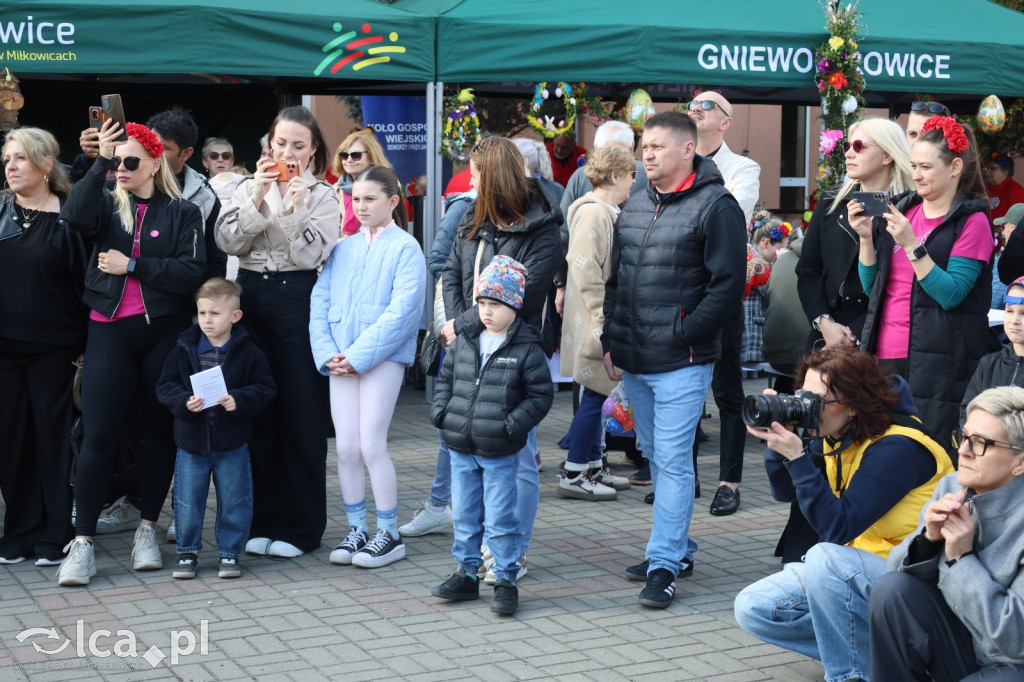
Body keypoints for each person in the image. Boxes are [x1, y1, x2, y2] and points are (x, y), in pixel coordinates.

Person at [733, 348, 954, 682]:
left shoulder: (898, 447)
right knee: (755, 607)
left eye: (818, 399)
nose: (807, 406)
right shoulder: (838, 434)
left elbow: (838, 527)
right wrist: (778, 447)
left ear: (853, 404)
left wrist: (798, 458)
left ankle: (853, 674)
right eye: (803, 395)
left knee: (825, 556)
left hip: (914, 578)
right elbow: (785, 492)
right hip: (860, 566)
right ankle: (885, 660)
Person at [603, 111, 745, 606]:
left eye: (658, 146)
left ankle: (663, 564)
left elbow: (727, 288)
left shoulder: (717, 206)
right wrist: (611, 341)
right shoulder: (637, 203)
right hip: (636, 360)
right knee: (658, 458)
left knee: (674, 461)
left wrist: (685, 331)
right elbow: (618, 281)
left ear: (688, 150)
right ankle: (677, 547)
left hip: (683, 361)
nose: (647, 154)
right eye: (645, 146)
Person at [56, 119, 206, 586]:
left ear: (155, 161)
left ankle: (147, 528)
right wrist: (98, 161)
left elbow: (190, 274)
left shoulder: (183, 213)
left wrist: (134, 266)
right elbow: (73, 217)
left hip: (162, 332)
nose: (121, 167)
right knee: (98, 435)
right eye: (116, 160)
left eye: (129, 160)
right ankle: (82, 544)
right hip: (108, 330)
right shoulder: (103, 200)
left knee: (158, 433)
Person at [215, 105, 340, 559]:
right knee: (255, 409)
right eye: (280, 142)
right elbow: (227, 242)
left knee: (301, 412)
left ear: (312, 153)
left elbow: (309, 257)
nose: (287, 152)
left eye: (299, 146)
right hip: (249, 296)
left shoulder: (325, 196)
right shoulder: (245, 187)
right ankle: (258, 520)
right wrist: (258, 197)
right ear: (268, 143)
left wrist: (293, 205)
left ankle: (301, 526)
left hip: (298, 299)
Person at [440, 136, 562, 583]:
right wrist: (460, 324)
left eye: (475, 174)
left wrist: (462, 326)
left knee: (519, 457)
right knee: (469, 455)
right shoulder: (472, 217)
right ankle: (473, 555)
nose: (469, 182)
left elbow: (525, 296)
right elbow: (452, 273)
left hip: (517, 349)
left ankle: (512, 552)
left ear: (494, 178)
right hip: (471, 349)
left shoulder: (544, 226)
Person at [310, 167, 426, 569]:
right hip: (340, 360)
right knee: (345, 447)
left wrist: (357, 357)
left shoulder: (407, 248)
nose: (360, 206)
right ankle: (357, 528)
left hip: (382, 359)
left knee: (372, 444)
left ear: (393, 202)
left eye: (370, 198)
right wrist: (328, 354)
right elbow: (319, 302)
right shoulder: (343, 248)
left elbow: (403, 314)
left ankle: (389, 533)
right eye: (355, 199)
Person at [869, 386, 1024, 681]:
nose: (963, 451)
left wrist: (961, 560)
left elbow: (1015, 641)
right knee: (892, 590)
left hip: (1013, 663)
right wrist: (929, 540)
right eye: (964, 436)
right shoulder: (953, 486)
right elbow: (895, 570)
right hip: (966, 644)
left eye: (980, 443)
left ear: (1020, 462)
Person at [857, 116, 994, 448]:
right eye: (913, 165)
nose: (915, 175)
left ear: (955, 167)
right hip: (883, 355)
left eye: (926, 167)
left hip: (938, 364)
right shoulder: (906, 208)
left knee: (925, 456)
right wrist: (865, 239)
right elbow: (871, 288)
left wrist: (910, 244)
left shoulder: (972, 222)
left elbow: (952, 294)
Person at [430, 255, 554, 615]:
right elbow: (446, 381)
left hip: (499, 450)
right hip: (461, 447)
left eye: (496, 304)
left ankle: (505, 578)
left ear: (514, 305)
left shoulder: (527, 347)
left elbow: (540, 396)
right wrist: (442, 414)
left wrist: (512, 425)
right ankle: (467, 573)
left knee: (500, 517)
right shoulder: (466, 340)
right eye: (482, 303)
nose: (487, 312)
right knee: (466, 514)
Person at [0, 128, 86, 566]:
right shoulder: (0, 210)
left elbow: (85, 286)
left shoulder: (72, 217)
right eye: (8, 158)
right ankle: (18, 532)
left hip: (56, 349)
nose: (11, 166)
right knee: (11, 444)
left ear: (47, 164)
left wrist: (85, 347)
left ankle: (55, 534)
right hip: (4, 352)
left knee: (53, 443)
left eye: (21, 158)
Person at [155, 278, 276, 580]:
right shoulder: (184, 348)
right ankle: (187, 552)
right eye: (202, 313)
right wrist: (184, 402)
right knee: (187, 499)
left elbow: (265, 387)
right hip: (191, 442)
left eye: (215, 314)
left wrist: (240, 400)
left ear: (235, 316)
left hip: (232, 442)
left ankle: (230, 554)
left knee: (236, 499)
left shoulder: (248, 352)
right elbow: (165, 386)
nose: (207, 320)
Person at [682, 90, 762, 517]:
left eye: (707, 105)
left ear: (726, 121)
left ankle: (729, 481)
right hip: (682, 290)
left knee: (727, 389)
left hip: (722, 290)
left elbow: (727, 210)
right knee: (681, 391)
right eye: (692, 104)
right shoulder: (680, 162)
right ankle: (683, 476)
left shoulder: (743, 167)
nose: (696, 109)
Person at [558, 146, 637, 501]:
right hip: (596, 319)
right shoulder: (594, 213)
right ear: (616, 175)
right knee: (594, 394)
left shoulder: (601, 211)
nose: (634, 183)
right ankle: (575, 471)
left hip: (595, 316)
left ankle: (591, 464)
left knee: (597, 392)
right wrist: (602, 315)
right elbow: (585, 267)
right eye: (632, 175)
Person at [797, 117, 914, 349]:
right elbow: (807, 269)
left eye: (859, 146)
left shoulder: (908, 209)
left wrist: (856, 333)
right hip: (828, 332)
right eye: (847, 146)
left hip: (884, 334)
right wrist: (824, 322)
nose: (849, 153)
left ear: (887, 155)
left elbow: (902, 286)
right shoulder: (831, 202)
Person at [147, 108, 226, 282]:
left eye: (164, 147)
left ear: (186, 153)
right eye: (151, 143)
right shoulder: (128, 183)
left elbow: (215, 261)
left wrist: (190, 300)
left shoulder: (204, 197)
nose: (154, 151)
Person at [961, 277, 1024, 425]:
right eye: (1009, 311)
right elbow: (968, 413)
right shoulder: (988, 365)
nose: (1014, 320)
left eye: (1023, 313)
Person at [741, 213, 790, 365]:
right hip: (753, 332)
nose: (781, 253)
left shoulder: (746, 254)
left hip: (743, 326)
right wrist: (782, 265)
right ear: (766, 243)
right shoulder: (760, 265)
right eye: (780, 249)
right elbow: (774, 292)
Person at [330, 129, 392, 238]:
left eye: (356, 155)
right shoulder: (334, 190)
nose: (349, 160)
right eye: (344, 155)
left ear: (372, 157)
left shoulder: (387, 186)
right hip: (342, 250)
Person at [994, 203, 1024, 303]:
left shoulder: (1008, 264)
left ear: (1014, 228)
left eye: (1004, 226)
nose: (1002, 232)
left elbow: (994, 302)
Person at [983, 152, 1024, 225]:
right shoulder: (983, 188)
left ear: (1005, 172)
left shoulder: (1016, 192)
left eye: (992, 168)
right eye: (986, 168)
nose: (987, 171)